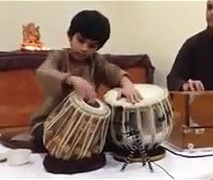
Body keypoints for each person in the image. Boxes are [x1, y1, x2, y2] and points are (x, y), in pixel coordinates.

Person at [29, 10, 142, 173]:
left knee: (113, 138)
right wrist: (72, 79)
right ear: (70, 36)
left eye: (92, 46)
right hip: (50, 122)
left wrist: (126, 82)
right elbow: (44, 71)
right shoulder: (59, 56)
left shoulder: (96, 61)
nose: (84, 48)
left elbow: (112, 71)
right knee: (46, 138)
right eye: (80, 40)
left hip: (85, 127)